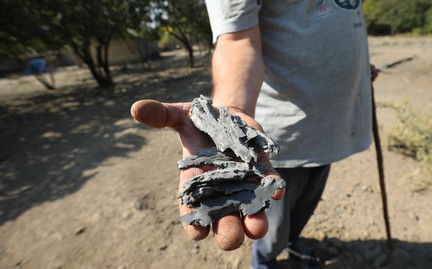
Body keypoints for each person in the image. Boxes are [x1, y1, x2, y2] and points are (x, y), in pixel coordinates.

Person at [131, 0, 378, 268]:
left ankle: (293, 242)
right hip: (285, 140)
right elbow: (237, 39)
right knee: (272, 224)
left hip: (333, 128)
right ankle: (264, 261)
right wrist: (232, 110)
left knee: (305, 207)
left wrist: (358, 63)